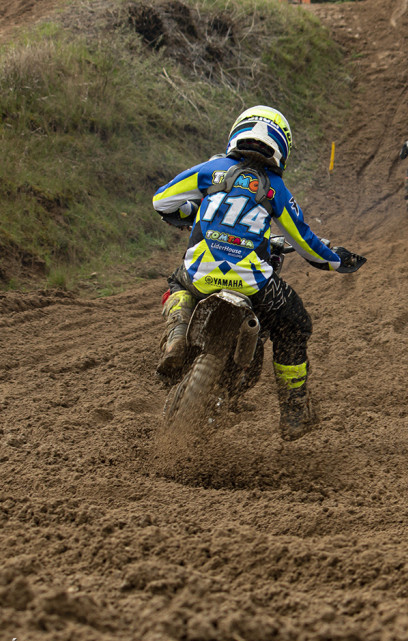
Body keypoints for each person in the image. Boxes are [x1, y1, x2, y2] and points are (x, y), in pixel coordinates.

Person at [152, 105, 364, 441]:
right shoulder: (275, 189)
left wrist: (191, 212)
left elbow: (162, 201)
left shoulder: (213, 169)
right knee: (295, 326)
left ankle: (177, 336)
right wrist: (337, 260)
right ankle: (294, 408)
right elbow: (307, 245)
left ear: (238, 132)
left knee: (178, 282)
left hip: (201, 272)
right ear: (282, 147)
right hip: (253, 285)